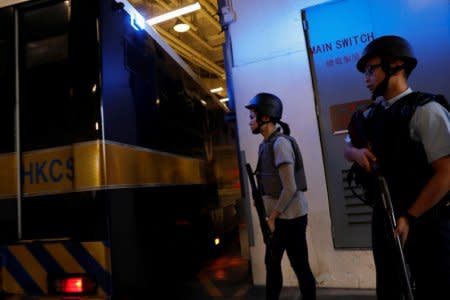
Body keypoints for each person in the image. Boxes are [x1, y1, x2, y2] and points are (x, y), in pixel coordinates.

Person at [344, 35, 450, 299]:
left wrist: (409, 217)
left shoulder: (426, 110)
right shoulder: (370, 115)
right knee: (390, 288)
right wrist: (357, 153)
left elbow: (446, 173)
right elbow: (347, 148)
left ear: (396, 65)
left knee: (432, 286)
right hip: (385, 215)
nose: (365, 77)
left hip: (425, 220)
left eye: (371, 69)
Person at [245, 92, 316, 300]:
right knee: (272, 264)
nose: (250, 121)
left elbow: (290, 187)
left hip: (290, 219)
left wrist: (272, 217)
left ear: (265, 118)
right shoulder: (266, 144)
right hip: (279, 219)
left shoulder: (280, 144)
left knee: (300, 266)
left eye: (252, 116)